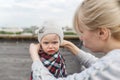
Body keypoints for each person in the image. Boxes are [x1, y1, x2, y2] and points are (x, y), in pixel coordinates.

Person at [29, 0, 120, 80]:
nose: (80, 37)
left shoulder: (112, 66)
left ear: (102, 33)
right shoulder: (114, 63)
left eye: (81, 31)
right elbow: (98, 65)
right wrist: (70, 45)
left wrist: (35, 57)